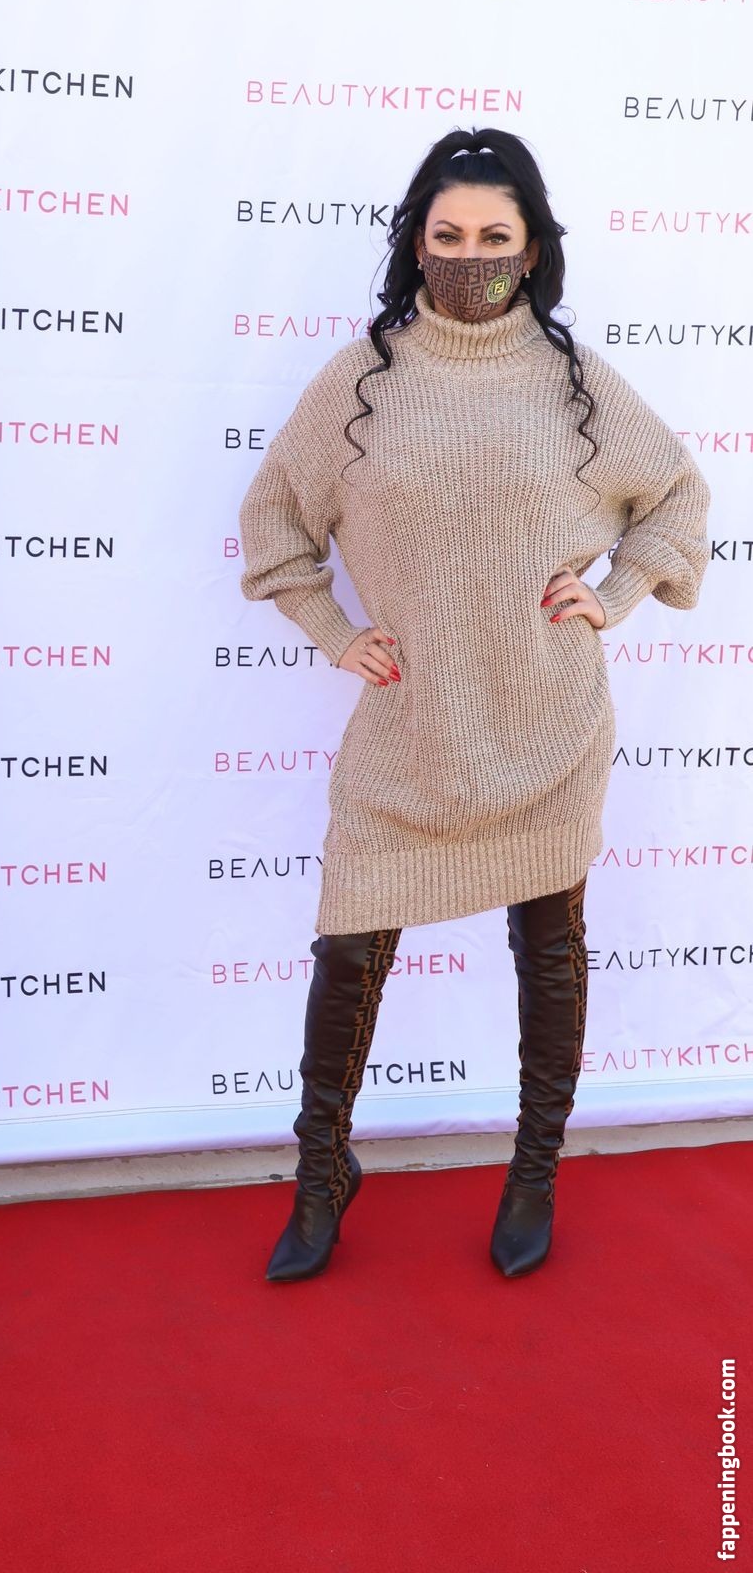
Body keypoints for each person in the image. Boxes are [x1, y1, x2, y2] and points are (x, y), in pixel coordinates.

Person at [238, 128, 710, 1284]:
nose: (470, 257)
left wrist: (615, 594)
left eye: (495, 236)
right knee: (349, 954)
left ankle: (534, 1170)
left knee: (551, 953)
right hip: (409, 731)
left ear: (534, 249)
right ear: (416, 245)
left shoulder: (577, 386)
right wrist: (338, 633)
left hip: (547, 721)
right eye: (447, 236)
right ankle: (321, 1173)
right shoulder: (361, 381)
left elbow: (676, 494)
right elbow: (275, 520)